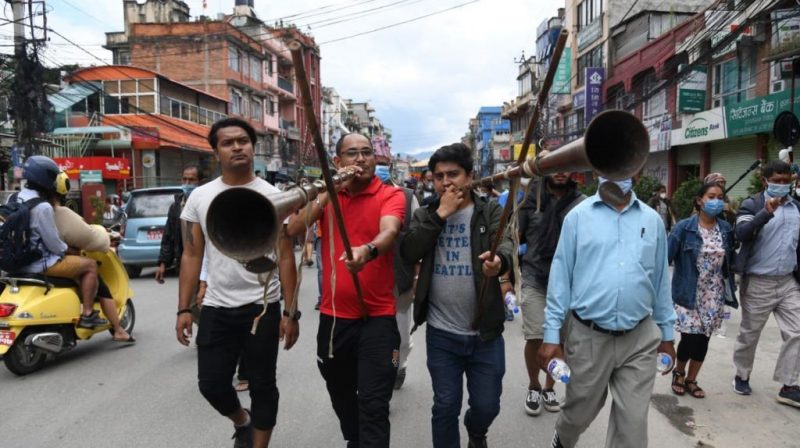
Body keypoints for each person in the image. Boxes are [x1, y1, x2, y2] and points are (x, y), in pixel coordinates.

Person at [175, 117, 300, 448]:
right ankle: (242, 421)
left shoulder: (275, 197)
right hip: (216, 307)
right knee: (211, 384)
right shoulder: (200, 197)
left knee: (263, 385)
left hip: (263, 307)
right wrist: (183, 308)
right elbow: (191, 254)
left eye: (243, 141)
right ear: (216, 152)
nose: (237, 147)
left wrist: (291, 312)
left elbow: (286, 257)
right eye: (227, 143)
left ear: (253, 148)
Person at [539, 176, 676, 448]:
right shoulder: (577, 218)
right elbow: (561, 278)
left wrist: (667, 335)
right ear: (597, 170)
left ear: (636, 171)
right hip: (588, 336)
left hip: (639, 338)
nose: (617, 172)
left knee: (633, 427)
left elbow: (661, 279)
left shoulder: (652, 220)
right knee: (579, 413)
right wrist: (551, 335)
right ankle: (563, 438)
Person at [287, 133, 405, 448]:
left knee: (374, 402)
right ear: (338, 161)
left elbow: (390, 230)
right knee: (339, 391)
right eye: (352, 153)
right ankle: (355, 439)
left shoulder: (390, 194)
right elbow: (294, 228)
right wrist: (330, 189)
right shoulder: (328, 196)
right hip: (335, 318)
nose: (361, 159)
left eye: (367, 152)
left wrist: (368, 250)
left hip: (378, 318)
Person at [399, 143, 512, 448]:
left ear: (470, 176)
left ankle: (476, 431)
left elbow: (505, 244)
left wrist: (499, 262)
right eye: (439, 177)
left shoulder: (489, 210)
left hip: (485, 333)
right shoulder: (426, 213)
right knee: (445, 406)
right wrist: (440, 215)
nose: (446, 182)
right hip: (442, 333)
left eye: (453, 174)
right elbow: (409, 251)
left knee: (487, 405)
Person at [732, 160, 800, 408]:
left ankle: (788, 385)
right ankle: (741, 375)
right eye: (776, 181)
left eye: (786, 181)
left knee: (797, 332)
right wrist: (765, 213)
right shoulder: (752, 205)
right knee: (750, 334)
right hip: (758, 282)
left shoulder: (797, 208)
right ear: (765, 181)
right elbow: (741, 233)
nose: (782, 185)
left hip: (788, 282)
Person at [518, 171, 584, 416]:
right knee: (536, 337)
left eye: (565, 166)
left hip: (568, 284)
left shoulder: (581, 204)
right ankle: (534, 385)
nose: (560, 172)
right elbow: (513, 236)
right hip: (534, 277)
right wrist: (504, 277)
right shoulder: (530, 201)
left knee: (560, 339)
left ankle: (549, 387)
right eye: (555, 166)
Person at [15, 156, 107, 329]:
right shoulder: (43, 207)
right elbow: (55, 245)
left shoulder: (14, 198)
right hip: (41, 264)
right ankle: (88, 314)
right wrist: (69, 249)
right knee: (90, 265)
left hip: (15, 262)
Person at [667, 182, 737, 398]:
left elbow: (730, 260)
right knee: (689, 338)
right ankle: (679, 373)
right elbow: (665, 258)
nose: (716, 201)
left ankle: (691, 379)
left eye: (720, 197)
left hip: (714, 294)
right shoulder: (684, 228)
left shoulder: (725, 228)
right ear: (700, 200)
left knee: (703, 339)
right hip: (688, 292)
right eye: (711, 196)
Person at [51, 171, 134, 343]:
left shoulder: (29, 207)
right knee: (97, 279)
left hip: (32, 262)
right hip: (53, 262)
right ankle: (112, 326)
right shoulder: (57, 212)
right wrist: (104, 236)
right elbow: (88, 235)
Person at [376, 161, 420, 390]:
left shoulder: (407, 198)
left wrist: (417, 277)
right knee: (375, 335)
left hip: (400, 279)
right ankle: (381, 373)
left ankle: (398, 365)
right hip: (369, 280)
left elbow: (418, 238)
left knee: (400, 336)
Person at [156, 164, 201, 284]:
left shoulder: (206, 203)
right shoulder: (176, 206)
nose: (187, 183)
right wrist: (163, 263)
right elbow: (168, 236)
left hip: (205, 263)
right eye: (184, 179)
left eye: (191, 180)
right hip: (184, 261)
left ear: (199, 182)